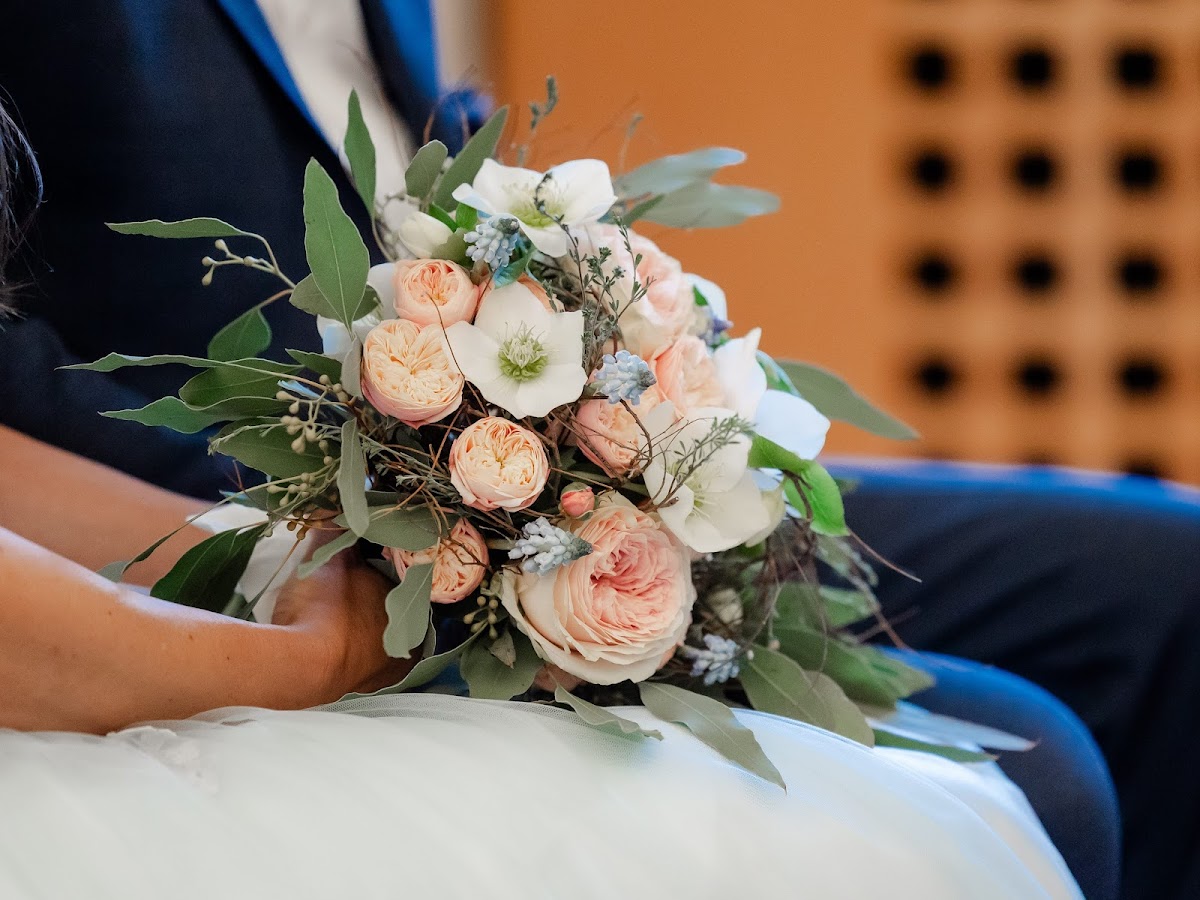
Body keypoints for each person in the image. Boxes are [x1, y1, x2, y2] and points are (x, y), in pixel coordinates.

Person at [0, 2, 1117, 896]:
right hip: (277, 490)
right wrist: (338, 540)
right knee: (1029, 769)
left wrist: (631, 365)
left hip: (555, 466)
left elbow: (419, 167)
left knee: (1148, 590)